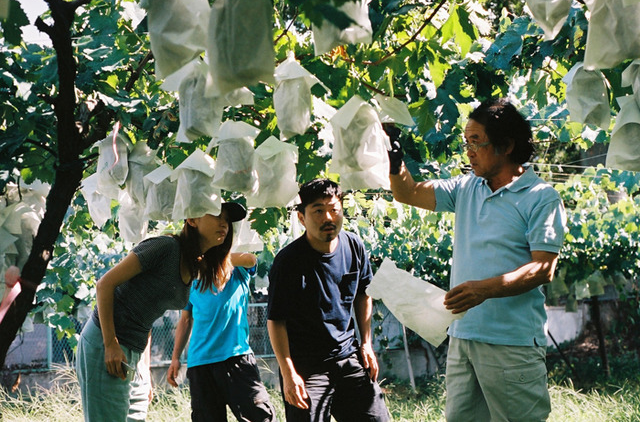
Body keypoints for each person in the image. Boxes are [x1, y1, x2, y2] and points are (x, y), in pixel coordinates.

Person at [385, 98, 566, 422]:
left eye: (476, 142)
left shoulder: (541, 197)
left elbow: (543, 268)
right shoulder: (467, 187)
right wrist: (392, 149)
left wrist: (484, 289)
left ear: (507, 144)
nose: (468, 150)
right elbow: (407, 192)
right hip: (464, 337)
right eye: (466, 141)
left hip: (512, 344)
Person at [76, 202, 248, 422]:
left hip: (134, 353)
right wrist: (110, 343)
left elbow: (146, 315)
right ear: (191, 220)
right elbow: (104, 285)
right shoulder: (166, 247)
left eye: (227, 219)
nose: (224, 223)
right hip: (108, 343)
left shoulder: (194, 265)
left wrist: (144, 371)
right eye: (216, 215)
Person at [267, 178, 390, 422]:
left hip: (347, 356)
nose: (328, 218)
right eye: (318, 211)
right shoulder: (288, 262)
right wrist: (288, 372)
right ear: (302, 218)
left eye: (334, 210)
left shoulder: (354, 246)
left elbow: (364, 293)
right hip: (306, 367)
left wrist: (366, 343)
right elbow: (276, 320)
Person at [166, 250, 277, 422]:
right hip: (200, 364)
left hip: (236, 358)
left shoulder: (237, 270)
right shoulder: (193, 280)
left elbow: (251, 259)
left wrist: (209, 259)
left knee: (261, 417)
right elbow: (185, 319)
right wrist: (175, 358)